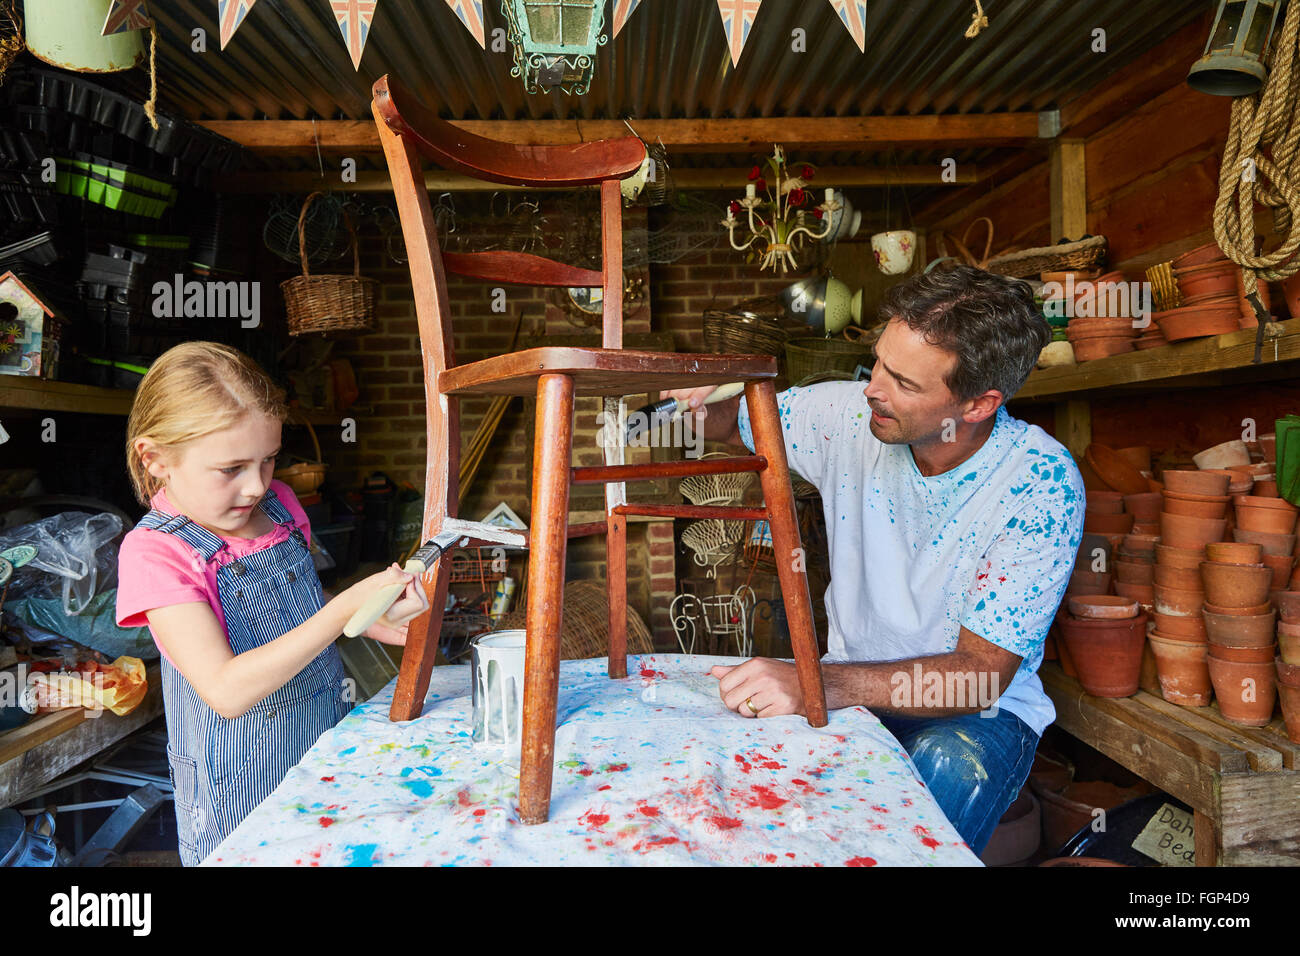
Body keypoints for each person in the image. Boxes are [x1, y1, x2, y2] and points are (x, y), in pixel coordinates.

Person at [664, 265, 1084, 854]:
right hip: (849, 688)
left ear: (978, 404)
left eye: (905, 383)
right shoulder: (847, 419)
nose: (872, 388)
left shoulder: (1039, 483)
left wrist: (815, 684)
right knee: (737, 791)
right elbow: (736, 426)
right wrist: (694, 404)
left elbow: (980, 676)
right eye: (880, 362)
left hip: (973, 717)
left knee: (940, 774)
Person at [115, 342, 429, 865]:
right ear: (157, 459)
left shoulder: (280, 505)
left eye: (268, 459)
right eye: (231, 468)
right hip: (239, 786)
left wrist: (368, 617)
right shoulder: (157, 552)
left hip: (326, 750)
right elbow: (225, 690)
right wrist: (339, 612)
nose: (256, 485)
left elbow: (299, 603)